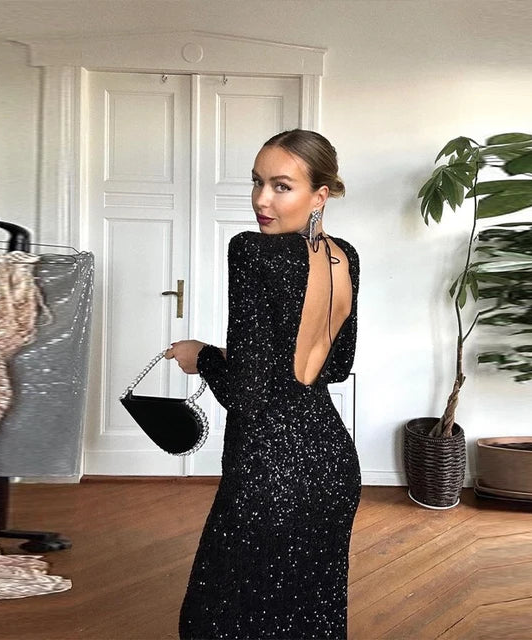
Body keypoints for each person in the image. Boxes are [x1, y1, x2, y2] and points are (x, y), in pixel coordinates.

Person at [164, 129, 361, 639]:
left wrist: (202, 357)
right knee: (307, 615)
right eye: (257, 182)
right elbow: (335, 365)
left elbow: (245, 395)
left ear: (319, 195)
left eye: (281, 186)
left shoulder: (252, 251)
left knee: (216, 619)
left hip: (269, 465)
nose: (261, 200)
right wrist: (237, 356)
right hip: (332, 462)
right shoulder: (344, 257)